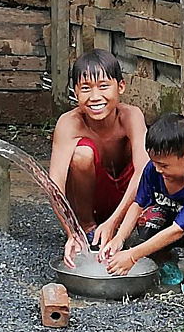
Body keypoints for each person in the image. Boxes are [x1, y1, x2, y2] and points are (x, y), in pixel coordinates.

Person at [100, 113, 184, 293]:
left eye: (164, 165)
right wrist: (119, 238)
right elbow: (138, 204)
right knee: (148, 216)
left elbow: (178, 230)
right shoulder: (153, 170)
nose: (158, 169)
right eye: (154, 163)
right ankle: (166, 261)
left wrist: (132, 256)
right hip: (171, 221)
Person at [48, 49, 149, 268]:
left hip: (128, 200)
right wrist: (71, 231)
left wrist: (113, 223)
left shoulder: (131, 116)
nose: (95, 97)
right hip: (90, 201)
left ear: (120, 86)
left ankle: (124, 229)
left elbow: (143, 172)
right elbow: (54, 184)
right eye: (85, 88)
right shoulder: (69, 123)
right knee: (82, 154)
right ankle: (87, 229)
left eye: (103, 86)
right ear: (75, 92)